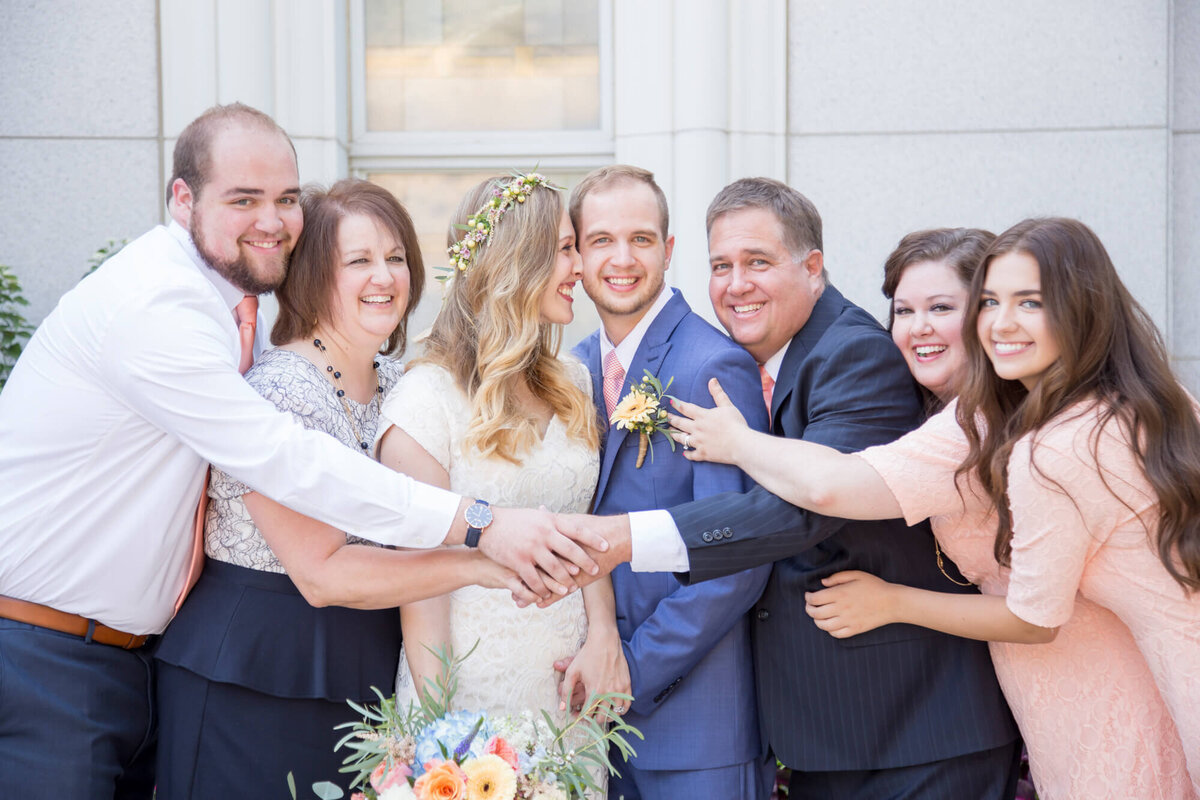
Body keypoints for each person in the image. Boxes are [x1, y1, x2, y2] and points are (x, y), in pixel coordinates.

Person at [0, 104, 601, 799]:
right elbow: (289, 469)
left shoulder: (290, 342)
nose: (272, 219)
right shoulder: (166, 315)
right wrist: (483, 533)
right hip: (87, 655)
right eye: (244, 199)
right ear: (182, 198)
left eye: (286, 199)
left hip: (162, 659)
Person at [671, 218, 1200, 797]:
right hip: (1056, 685)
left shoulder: (1055, 442)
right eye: (903, 310)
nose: (1001, 322)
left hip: (1116, 678)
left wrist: (737, 445)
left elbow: (835, 490)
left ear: (1080, 310)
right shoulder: (1014, 415)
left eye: (1027, 303)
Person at [561, 178, 1020, 799]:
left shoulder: (857, 355)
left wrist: (629, 538)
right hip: (826, 730)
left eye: (757, 262)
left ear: (812, 267)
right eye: (721, 266)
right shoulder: (756, 359)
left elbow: (804, 510)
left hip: (915, 725)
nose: (735, 285)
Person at [152, 179, 536, 797]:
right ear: (311, 276)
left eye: (396, 257)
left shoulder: (401, 386)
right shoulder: (281, 393)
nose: (384, 276)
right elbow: (322, 575)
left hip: (362, 672)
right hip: (258, 670)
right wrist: (477, 561)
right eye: (358, 261)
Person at [375, 174, 626, 795]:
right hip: (472, 693)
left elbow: (587, 528)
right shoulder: (425, 398)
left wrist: (604, 635)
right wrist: (436, 745)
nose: (580, 268)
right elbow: (420, 590)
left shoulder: (571, 379)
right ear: (519, 262)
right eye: (565, 250)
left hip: (570, 690)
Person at [563, 165, 773, 800]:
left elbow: (737, 557)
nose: (621, 259)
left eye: (641, 239)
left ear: (669, 250)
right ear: (574, 253)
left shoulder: (712, 364)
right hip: (587, 726)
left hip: (695, 729)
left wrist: (630, 665)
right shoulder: (569, 371)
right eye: (601, 240)